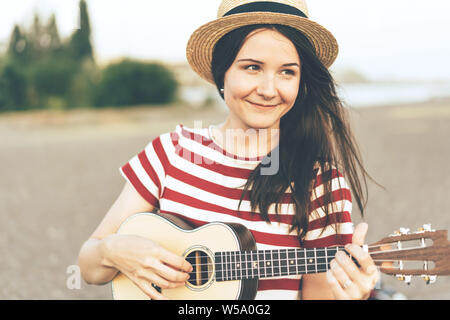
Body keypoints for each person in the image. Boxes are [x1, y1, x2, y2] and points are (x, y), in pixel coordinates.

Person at [78, 0, 380, 300]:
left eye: (287, 72)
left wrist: (350, 295)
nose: (268, 88)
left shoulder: (321, 182)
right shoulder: (170, 153)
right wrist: (114, 250)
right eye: (252, 67)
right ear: (222, 72)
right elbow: (89, 267)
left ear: (301, 83)